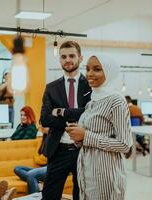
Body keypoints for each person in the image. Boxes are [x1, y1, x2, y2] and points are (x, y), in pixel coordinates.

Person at [66, 54, 133, 200]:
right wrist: (77, 136)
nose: (90, 74)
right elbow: (87, 137)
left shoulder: (116, 101)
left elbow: (125, 144)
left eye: (97, 69)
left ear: (108, 72)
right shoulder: (92, 102)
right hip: (86, 172)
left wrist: (86, 135)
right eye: (88, 69)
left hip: (106, 176)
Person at [40, 41, 91, 200]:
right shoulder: (51, 88)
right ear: (60, 59)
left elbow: (91, 113)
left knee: (80, 195)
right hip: (58, 150)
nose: (67, 60)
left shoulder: (91, 86)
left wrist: (62, 112)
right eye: (63, 56)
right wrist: (73, 120)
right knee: (49, 196)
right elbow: (45, 119)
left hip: (84, 150)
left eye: (71, 56)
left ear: (80, 58)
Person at [14, 127, 48, 194]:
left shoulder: (53, 138)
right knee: (17, 169)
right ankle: (38, 183)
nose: (42, 127)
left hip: (48, 167)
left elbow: (45, 159)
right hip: (40, 168)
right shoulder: (41, 140)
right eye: (42, 125)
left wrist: (39, 158)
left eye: (45, 125)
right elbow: (37, 155)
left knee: (31, 174)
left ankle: (35, 183)